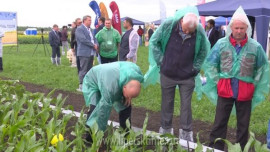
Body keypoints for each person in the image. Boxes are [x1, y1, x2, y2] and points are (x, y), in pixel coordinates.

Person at [203, 7, 270, 151]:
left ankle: (240, 148)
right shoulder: (221, 44)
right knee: (220, 121)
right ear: (231, 28)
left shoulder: (255, 47)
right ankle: (216, 147)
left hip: (245, 90)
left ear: (247, 28)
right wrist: (218, 81)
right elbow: (210, 64)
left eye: (242, 28)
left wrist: (254, 83)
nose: (239, 31)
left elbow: (263, 67)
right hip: (225, 88)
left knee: (243, 124)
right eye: (236, 28)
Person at [144, 6, 210, 142]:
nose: (187, 32)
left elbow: (204, 50)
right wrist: (162, 62)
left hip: (187, 76)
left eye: (190, 31)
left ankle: (186, 136)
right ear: (181, 21)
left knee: (186, 106)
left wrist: (195, 68)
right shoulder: (169, 25)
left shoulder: (198, 31)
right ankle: (166, 134)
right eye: (185, 29)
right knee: (166, 104)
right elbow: (154, 42)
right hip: (168, 74)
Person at [83, 61, 144, 142]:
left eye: (132, 97)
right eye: (129, 96)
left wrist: (128, 97)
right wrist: (100, 134)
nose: (130, 98)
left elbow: (131, 90)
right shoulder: (111, 88)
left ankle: (125, 135)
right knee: (95, 108)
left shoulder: (136, 74)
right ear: (124, 87)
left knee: (126, 106)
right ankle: (90, 137)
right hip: (93, 79)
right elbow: (103, 111)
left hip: (110, 77)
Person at [75, 15, 98, 92]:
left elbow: (94, 38)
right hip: (83, 52)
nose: (90, 21)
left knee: (89, 70)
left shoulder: (90, 29)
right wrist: (93, 45)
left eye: (91, 20)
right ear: (84, 21)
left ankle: (87, 84)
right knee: (83, 69)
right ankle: (81, 85)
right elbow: (83, 39)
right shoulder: (80, 29)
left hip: (91, 52)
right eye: (89, 20)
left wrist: (96, 44)